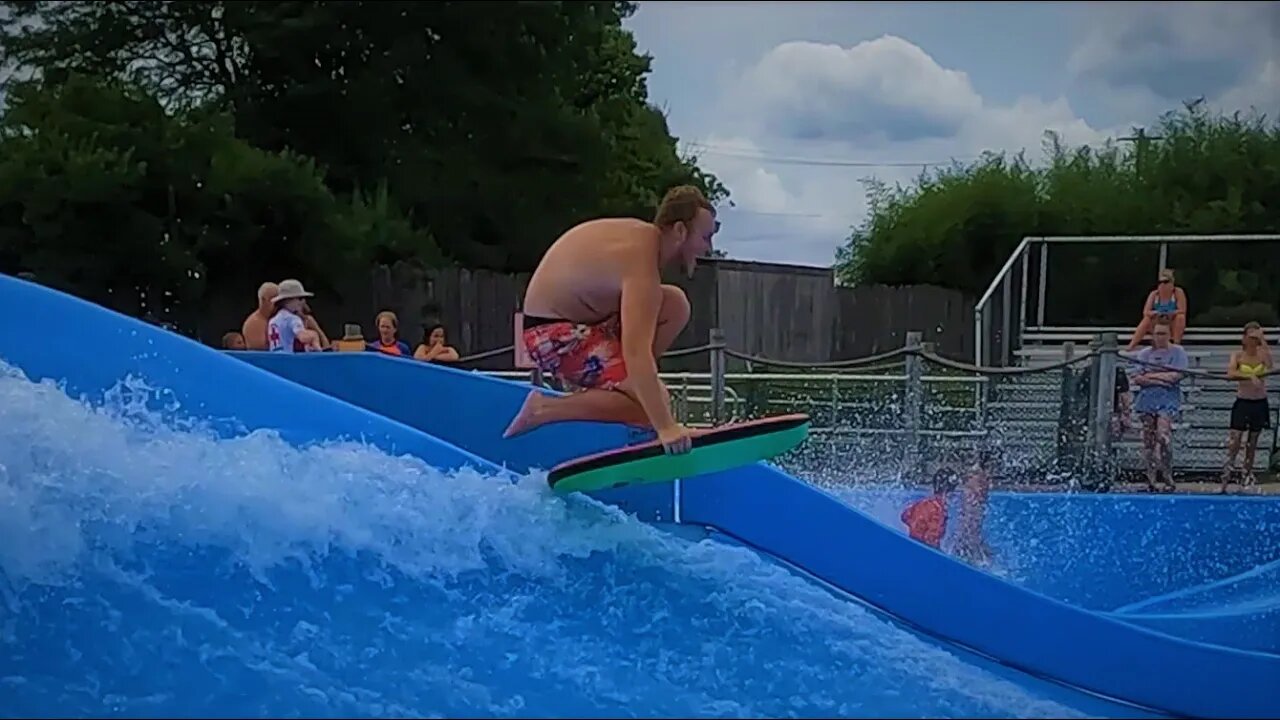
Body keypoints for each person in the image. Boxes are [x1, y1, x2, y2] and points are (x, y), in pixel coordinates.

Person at [501, 185, 719, 453]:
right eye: (706, 237)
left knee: (675, 305)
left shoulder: (640, 238)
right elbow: (637, 351)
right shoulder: (641, 265)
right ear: (680, 231)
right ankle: (543, 409)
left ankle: (623, 390)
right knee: (653, 405)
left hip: (578, 322)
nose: (708, 248)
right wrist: (667, 428)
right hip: (550, 334)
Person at [1128, 320, 1189, 492]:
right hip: (1147, 398)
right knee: (1148, 439)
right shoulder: (1144, 354)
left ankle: (1167, 473)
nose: (1160, 337)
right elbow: (1138, 377)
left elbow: (1177, 376)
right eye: (1157, 333)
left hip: (1167, 399)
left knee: (1163, 436)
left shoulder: (1178, 352)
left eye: (1163, 333)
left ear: (1169, 334)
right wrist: (1161, 377)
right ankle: (1151, 477)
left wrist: (1153, 376)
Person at [1221, 322, 1273, 492]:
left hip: (1259, 402)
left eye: (1255, 338)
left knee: (1252, 444)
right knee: (1235, 441)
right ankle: (1226, 478)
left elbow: (1270, 365)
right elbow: (1230, 373)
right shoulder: (1237, 355)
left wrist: (1263, 339)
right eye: (1250, 337)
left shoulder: (1262, 354)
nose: (1252, 341)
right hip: (1243, 401)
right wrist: (1250, 376)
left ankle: (1245, 478)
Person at [1126, 268, 1187, 351]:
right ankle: (1132, 344)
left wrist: (1170, 313)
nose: (1162, 285)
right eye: (1160, 282)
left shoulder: (1178, 292)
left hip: (1171, 322)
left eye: (1165, 282)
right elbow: (1146, 312)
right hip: (1157, 323)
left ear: (1172, 283)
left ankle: (1176, 344)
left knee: (1180, 317)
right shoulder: (1154, 294)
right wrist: (1154, 313)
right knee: (1146, 319)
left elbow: (1182, 310)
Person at [902, 467, 959, 549]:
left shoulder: (922, 503)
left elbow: (904, 516)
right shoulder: (939, 511)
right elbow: (931, 539)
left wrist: (917, 527)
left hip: (912, 545)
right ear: (947, 490)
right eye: (954, 490)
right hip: (924, 552)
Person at [267, 279, 323, 353]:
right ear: (288, 300)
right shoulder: (293, 318)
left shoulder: (273, 320)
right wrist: (314, 336)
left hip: (275, 359)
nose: (303, 302)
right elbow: (303, 337)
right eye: (300, 298)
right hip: (289, 360)